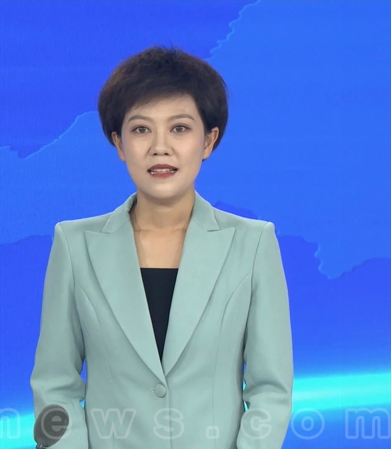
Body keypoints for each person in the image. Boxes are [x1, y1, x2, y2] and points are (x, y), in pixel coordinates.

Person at [30, 44, 294, 449]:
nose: (160, 146)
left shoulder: (253, 244)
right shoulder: (75, 245)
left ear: (209, 141)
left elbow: (270, 391)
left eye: (180, 128)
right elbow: (55, 386)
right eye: (141, 129)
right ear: (119, 144)